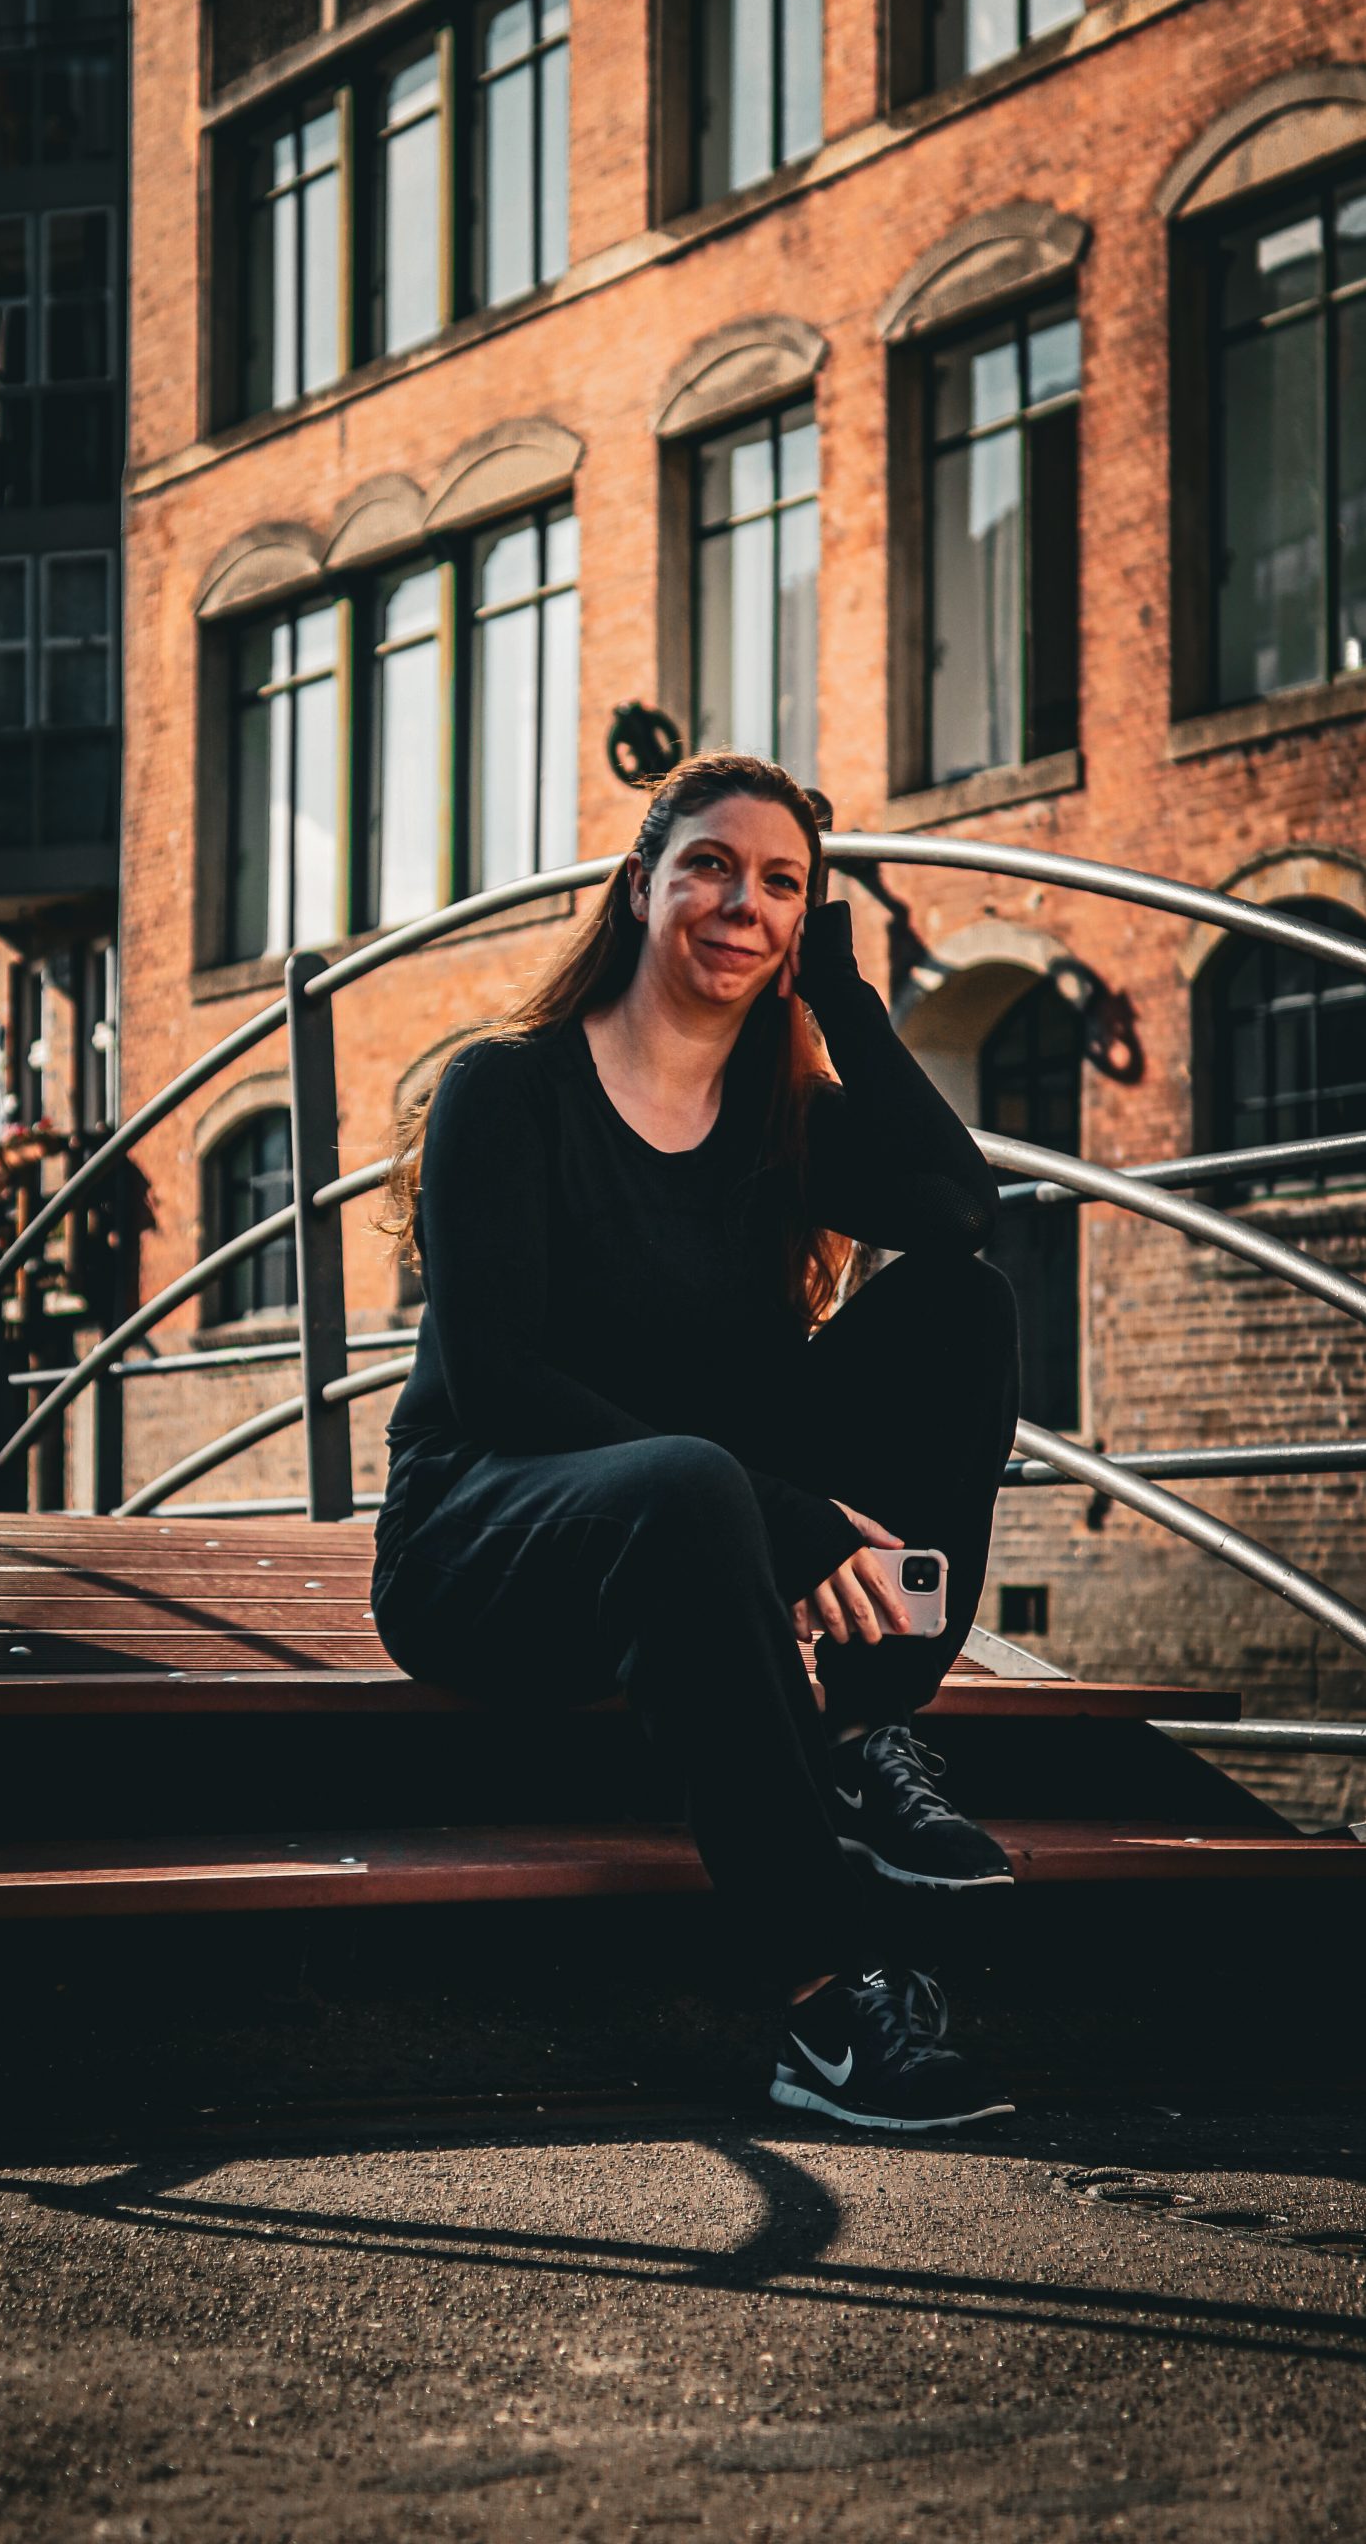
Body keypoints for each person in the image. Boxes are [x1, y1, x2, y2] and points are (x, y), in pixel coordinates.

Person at [372, 751, 1021, 2132]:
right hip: (486, 1542)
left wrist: (843, 999)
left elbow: (958, 1213)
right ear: (638, 889)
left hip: (702, 1518)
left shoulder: (782, 1114)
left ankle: (863, 1721)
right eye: (710, 868)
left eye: (779, 883)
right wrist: (780, 1514)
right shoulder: (510, 1090)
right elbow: (494, 1384)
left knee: (961, 1313)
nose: (741, 903)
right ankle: (822, 2007)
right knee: (689, 1479)